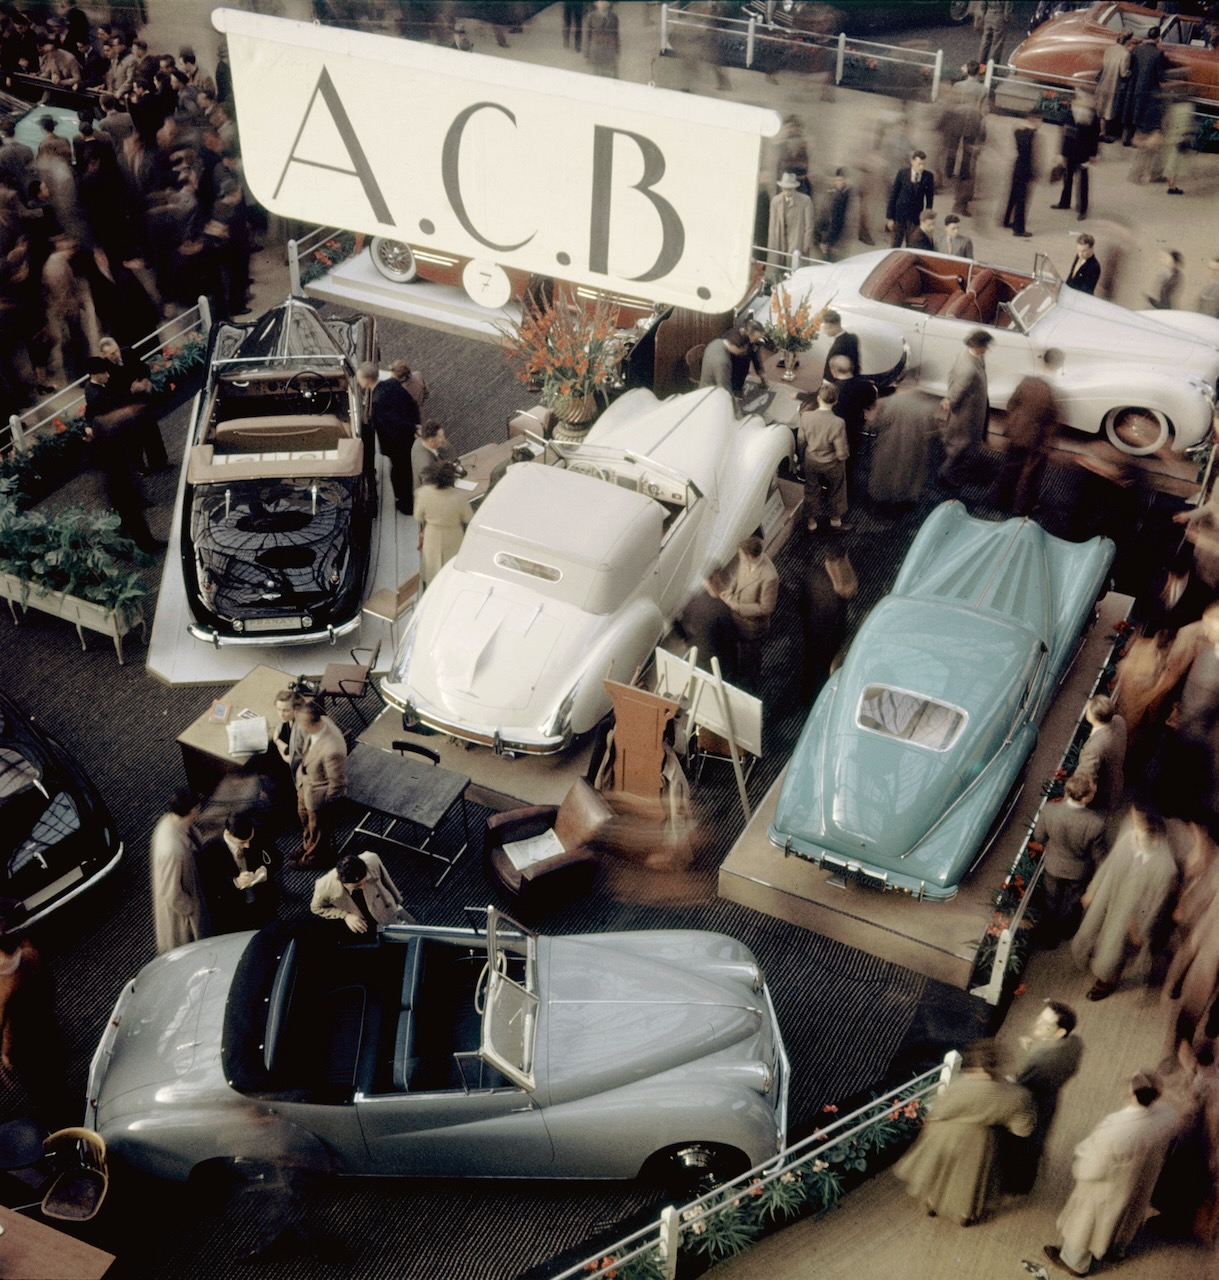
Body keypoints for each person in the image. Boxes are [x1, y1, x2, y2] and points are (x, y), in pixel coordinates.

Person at [1044, 1071, 1179, 1276]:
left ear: (1133, 1094)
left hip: (1109, 1182)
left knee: (1088, 1222)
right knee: (1126, 1214)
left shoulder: (1117, 1129)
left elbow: (1094, 1165)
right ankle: (1116, 1248)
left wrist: (1081, 1168)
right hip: (1140, 1177)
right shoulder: (1167, 1115)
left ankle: (1074, 1262)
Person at [894, 1037, 1034, 1227]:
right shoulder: (1016, 1096)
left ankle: (932, 1204)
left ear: (976, 1065)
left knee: (938, 1173)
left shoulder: (960, 1087)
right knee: (969, 1181)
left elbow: (939, 1111)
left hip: (946, 1136)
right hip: (979, 1142)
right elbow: (1022, 1129)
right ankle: (964, 1214)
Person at [1072, 802, 1178, 1001]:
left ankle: (1107, 980)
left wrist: (1139, 929)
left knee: (1115, 948)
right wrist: (1094, 888)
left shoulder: (1165, 867)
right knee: (1090, 930)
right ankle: (1090, 956)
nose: (1132, 832)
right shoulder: (1131, 833)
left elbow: (1155, 906)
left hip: (1131, 909)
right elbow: (1111, 861)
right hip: (1111, 890)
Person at [1004, 1001, 1084, 1195]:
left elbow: (1021, 1087)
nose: (1037, 1025)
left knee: (1024, 1145)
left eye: (1045, 1025)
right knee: (1036, 1143)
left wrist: (1008, 1080)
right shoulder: (1075, 1042)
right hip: (1051, 1097)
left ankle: (1017, 1186)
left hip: (1034, 1104)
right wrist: (1034, 1046)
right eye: (1040, 1019)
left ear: (1059, 1032)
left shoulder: (1042, 1062)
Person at [1033, 774, 1108, 943]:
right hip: (1078, 871)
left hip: (1053, 865)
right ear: (1086, 796)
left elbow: (1039, 837)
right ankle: (1067, 931)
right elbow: (1099, 856)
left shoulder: (1050, 810)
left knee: (1051, 899)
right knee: (1073, 903)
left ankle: (1048, 938)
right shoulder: (1095, 823)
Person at [994, 362, 1061, 515]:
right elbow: (1051, 419)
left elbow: (1011, 404)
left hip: (1016, 432)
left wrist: (1015, 422)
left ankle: (999, 500)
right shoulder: (1049, 390)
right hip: (1034, 438)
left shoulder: (1027, 382)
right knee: (1030, 475)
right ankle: (1021, 508)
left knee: (1010, 467)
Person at [97, 335, 167, 472]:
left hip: (141, 398)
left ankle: (159, 461)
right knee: (133, 438)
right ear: (104, 355)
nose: (117, 355)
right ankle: (139, 468)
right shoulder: (105, 369)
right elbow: (111, 392)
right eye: (112, 353)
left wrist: (144, 381)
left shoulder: (128, 352)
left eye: (117, 350)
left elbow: (143, 368)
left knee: (151, 430)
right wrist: (130, 390)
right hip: (126, 405)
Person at [357, 359, 419, 515]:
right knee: (406, 470)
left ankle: (406, 504)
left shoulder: (378, 401)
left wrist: (410, 427)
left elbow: (394, 422)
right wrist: (415, 425)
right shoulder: (393, 384)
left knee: (399, 473)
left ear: (366, 380)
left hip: (396, 444)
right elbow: (412, 405)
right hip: (407, 438)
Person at [199, 811, 277, 935]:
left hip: (262, 901)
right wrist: (235, 882)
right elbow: (209, 885)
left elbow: (276, 857)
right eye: (242, 842)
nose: (247, 845)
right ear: (229, 835)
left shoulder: (258, 831)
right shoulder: (211, 850)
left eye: (249, 839)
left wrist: (265, 869)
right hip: (232, 909)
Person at [292, 699, 348, 870]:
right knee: (305, 819)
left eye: (300, 723)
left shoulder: (332, 749)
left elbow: (337, 783)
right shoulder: (316, 727)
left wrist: (326, 805)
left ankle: (314, 856)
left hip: (319, 796)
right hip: (306, 782)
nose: (298, 727)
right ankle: (307, 845)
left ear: (310, 723)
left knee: (318, 828)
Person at [718, 536, 779, 693]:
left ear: (751, 556)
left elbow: (766, 607)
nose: (740, 558)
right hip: (737, 620)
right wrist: (730, 589)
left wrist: (738, 606)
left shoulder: (769, 576)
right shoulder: (747, 561)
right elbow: (738, 575)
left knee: (750, 658)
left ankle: (749, 687)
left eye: (741, 556)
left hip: (752, 627)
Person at [150, 788, 208, 953]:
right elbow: (172, 892)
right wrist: (192, 909)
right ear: (192, 811)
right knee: (192, 947)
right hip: (184, 910)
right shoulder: (172, 849)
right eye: (197, 808)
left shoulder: (172, 822)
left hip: (192, 883)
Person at [867, 389, 937, 511]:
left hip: (889, 444)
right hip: (914, 446)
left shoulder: (888, 402)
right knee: (909, 473)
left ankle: (882, 502)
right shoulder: (928, 404)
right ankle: (904, 501)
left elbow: (873, 423)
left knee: (886, 472)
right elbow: (933, 430)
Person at [938, 329, 991, 490]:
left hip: (973, 408)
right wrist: (950, 401)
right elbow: (959, 388)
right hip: (968, 414)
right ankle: (945, 474)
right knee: (961, 445)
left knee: (963, 443)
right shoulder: (969, 368)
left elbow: (952, 377)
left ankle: (955, 468)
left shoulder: (968, 356)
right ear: (977, 346)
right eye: (985, 346)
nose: (987, 349)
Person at [311, 852, 413, 934]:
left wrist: (397, 902)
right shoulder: (324, 887)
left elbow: (387, 882)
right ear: (344, 883)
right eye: (357, 886)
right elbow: (316, 908)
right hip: (363, 921)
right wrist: (345, 916)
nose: (363, 886)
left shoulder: (372, 860)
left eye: (365, 881)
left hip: (382, 907)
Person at [797, 381, 850, 533]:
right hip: (831, 463)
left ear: (818, 398)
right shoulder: (838, 422)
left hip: (811, 460)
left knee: (811, 488)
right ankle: (835, 519)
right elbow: (841, 451)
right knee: (838, 488)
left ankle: (811, 521)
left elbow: (801, 440)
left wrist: (802, 458)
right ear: (836, 401)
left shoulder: (806, 416)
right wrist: (843, 458)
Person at [797, 550, 850, 702]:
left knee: (811, 662)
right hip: (828, 636)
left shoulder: (812, 575)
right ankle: (820, 696)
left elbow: (802, 603)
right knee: (824, 667)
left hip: (813, 631)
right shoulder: (839, 586)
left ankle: (807, 695)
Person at [415, 460, 473, 588]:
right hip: (453, 535)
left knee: (432, 567)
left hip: (432, 534)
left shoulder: (422, 493)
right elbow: (468, 518)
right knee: (451, 567)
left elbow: (418, 516)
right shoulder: (459, 497)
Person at [674, 577, 737, 680]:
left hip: (696, 654)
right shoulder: (723, 609)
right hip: (716, 659)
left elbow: (677, 621)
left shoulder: (694, 601)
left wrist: (685, 639)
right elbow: (730, 639)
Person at [1075, 695, 1127, 813]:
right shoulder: (1119, 721)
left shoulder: (1094, 748)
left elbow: (1084, 776)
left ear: (1093, 717)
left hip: (1102, 794)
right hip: (1117, 781)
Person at [1053, 95, 1100, 220]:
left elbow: (1095, 138)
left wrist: (1093, 155)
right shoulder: (1070, 115)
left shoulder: (1092, 118)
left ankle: (1083, 208)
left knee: (1083, 182)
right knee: (1067, 178)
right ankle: (1065, 202)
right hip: (1070, 152)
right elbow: (1064, 135)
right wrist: (1061, 153)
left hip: (1083, 154)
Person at [767, 172, 815, 280]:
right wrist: (772, 245)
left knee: (795, 269)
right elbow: (772, 225)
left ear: (794, 188)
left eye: (789, 189)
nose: (787, 191)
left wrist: (806, 244)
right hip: (780, 239)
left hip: (797, 239)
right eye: (784, 189)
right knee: (778, 268)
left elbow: (809, 225)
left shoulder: (805, 201)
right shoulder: (776, 201)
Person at [1123, 27, 1165, 145]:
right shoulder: (1158, 53)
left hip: (1134, 84)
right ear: (1158, 38)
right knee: (1141, 114)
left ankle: (1126, 138)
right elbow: (1160, 75)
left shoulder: (1137, 49)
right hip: (1148, 87)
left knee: (1130, 111)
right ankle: (1135, 139)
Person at [885, 150, 935, 249]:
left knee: (912, 245)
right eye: (919, 164)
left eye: (923, 164)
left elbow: (930, 199)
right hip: (899, 217)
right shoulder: (902, 173)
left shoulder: (928, 176)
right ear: (912, 162)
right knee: (895, 246)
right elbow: (893, 195)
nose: (921, 167)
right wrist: (890, 217)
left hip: (915, 218)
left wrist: (927, 218)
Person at [1002, 113, 1039, 238]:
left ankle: (1006, 220)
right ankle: (1019, 228)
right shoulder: (1030, 134)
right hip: (1025, 169)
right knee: (1022, 200)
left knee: (1013, 195)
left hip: (1017, 167)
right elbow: (1029, 153)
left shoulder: (1018, 131)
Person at [1095, 28, 1133, 142]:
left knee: (1101, 107)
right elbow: (1123, 72)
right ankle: (1103, 133)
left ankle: (1100, 131)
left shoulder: (1109, 49)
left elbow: (1105, 64)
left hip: (1104, 80)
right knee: (1109, 108)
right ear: (1128, 40)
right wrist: (1130, 72)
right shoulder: (1126, 54)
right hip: (1113, 83)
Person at [699, 329, 751, 398]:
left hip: (704, 383)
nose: (743, 354)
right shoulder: (723, 362)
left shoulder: (716, 342)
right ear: (735, 346)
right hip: (710, 394)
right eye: (742, 352)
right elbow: (724, 390)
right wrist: (734, 402)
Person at [410, 419, 455, 494]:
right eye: (440, 437)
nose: (443, 439)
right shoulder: (426, 464)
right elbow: (431, 491)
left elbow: (451, 452)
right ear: (431, 441)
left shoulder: (418, 442)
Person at [819, 311, 860, 380]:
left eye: (825, 328)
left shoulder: (837, 348)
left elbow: (831, 373)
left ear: (831, 326)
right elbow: (856, 365)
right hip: (852, 379)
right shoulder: (853, 337)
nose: (824, 332)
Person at [585, 0, 619, 78]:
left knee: (610, 73)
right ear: (596, 3)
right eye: (600, 1)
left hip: (609, 48)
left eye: (605, 1)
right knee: (596, 73)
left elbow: (616, 34)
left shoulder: (614, 17)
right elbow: (588, 35)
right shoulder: (591, 16)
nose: (602, 4)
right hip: (596, 48)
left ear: (609, 3)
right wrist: (587, 51)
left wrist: (617, 49)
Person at [977, 1, 1013, 71]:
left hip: (988, 15)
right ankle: (992, 70)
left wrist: (985, 14)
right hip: (999, 16)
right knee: (997, 45)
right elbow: (1008, 5)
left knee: (985, 42)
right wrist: (1007, 18)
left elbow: (983, 4)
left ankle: (980, 67)